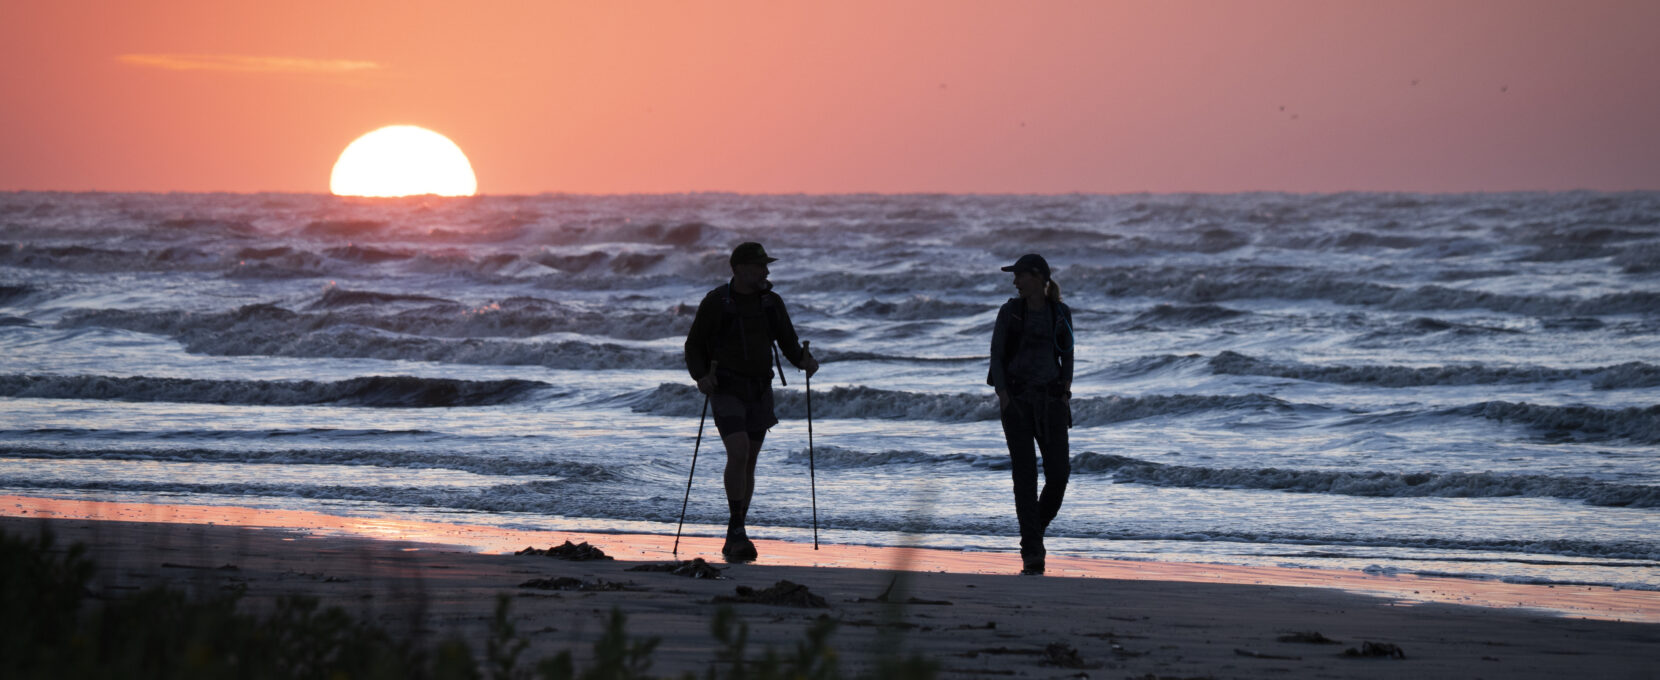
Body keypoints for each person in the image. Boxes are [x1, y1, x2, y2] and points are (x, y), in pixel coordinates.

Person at [684, 241, 818, 561]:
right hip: (726, 388)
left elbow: (787, 341)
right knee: (739, 451)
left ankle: (737, 527)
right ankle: (737, 528)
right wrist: (701, 376)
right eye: (760, 266)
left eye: (766, 266)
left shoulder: (771, 302)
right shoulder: (717, 301)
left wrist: (804, 361)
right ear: (741, 269)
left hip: (760, 389)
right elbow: (693, 345)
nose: (766, 271)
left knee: (750, 461)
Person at [987, 253, 1074, 575]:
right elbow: (996, 355)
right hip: (1018, 403)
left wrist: (1065, 393)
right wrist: (1004, 395)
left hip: (1051, 403)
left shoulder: (1060, 312)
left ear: (1038, 277)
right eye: (1015, 277)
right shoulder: (1010, 312)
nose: (1015, 282)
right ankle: (1033, 551)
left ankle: (1031, 535)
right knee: (1025, 478)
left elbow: (1068, 356)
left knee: (1059, 474)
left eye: (1020, 275)